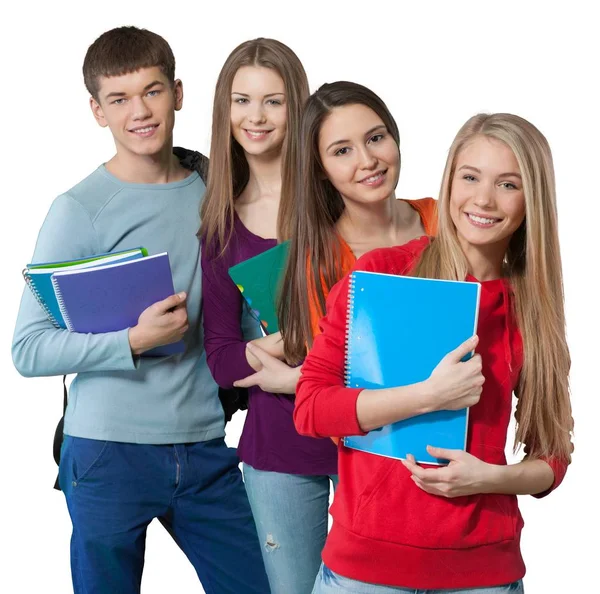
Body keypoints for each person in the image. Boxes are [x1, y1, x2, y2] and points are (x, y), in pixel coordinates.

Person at [12, 26, 269, 594]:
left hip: (204, 445)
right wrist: (131, 340)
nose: (140, 112)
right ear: (97, 111)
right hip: (106, 453)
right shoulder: (79, 209)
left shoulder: (217, 189)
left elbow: (238, 312)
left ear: (177, 93)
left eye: (152, 91)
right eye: (119, 99)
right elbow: (27, 349)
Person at [295, 113, 573, 593]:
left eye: (508, 184)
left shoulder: (532, 309)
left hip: (482, 575)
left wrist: (488, 478)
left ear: (532, 202)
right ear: (450, 182)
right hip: (365, 570)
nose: (483, 199)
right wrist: (426, 396)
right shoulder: (384, 275)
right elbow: (311, 409)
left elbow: (553, 458)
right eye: (470, 177)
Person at [199, 38, 330, 594]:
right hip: (278, 439)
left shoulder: (336, 197)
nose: (255, 117)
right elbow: (221, 355)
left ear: (297, 107)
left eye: (273, 101)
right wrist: (280, 349)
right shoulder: (222, 223)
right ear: (224, 110)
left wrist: (303, 352)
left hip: (369, 427)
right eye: (242, 100)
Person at [278, 81, 437, 368]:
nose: (368, 161)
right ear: (319, 168)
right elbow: (330, 377)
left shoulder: (444, 217)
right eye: (342, 151)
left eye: (376, 138)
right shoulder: (321, 263)